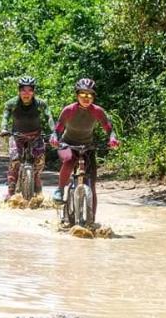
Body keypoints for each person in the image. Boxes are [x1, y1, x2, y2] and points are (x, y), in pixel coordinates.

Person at [49, 78, 120, 221]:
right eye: (82, 94)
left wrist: (112, 139)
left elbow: (109, 129)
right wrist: (55, 138)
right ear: (77, 95)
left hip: (88, 147)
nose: (86, 98)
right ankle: (60, 190)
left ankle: (91, 221)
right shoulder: (69, 110)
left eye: (89, 95)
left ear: (93, 97)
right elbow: (58, 129)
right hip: (67, 145)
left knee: (91, 184)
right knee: (69, 161)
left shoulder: (98, 111)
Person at [0, 76, 56, 201]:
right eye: (23, 90)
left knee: (40, 161)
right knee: (15, 160)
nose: (26, 93)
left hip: (36, 136)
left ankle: (36, 182)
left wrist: (54, 132)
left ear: (33, 91)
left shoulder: (40, 103)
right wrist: (3, 129)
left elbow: (49, 116)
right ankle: (11, 190)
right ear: (19, 91)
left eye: (29, 90)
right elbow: (5, 116)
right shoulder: (12, 103)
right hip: (17, 136)